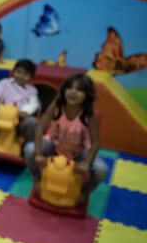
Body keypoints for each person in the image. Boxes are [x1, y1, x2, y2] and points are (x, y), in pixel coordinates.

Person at [24, 73, 109, 205]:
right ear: (64, 90)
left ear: (87, 94)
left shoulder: (89, 113)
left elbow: (96, 142)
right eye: (70, 88)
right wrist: (39, 154)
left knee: (101, 170)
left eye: (79, 90)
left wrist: (86, 163)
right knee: (29, 149)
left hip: (79, 151)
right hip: (54, 145)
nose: (73, 92)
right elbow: (40, 128)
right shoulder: (56, 106)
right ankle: (37, 177)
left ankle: (85, 190)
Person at [0, 59, 40, 147]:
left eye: (25, 74)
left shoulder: (32, 90)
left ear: (31, 77)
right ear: (13, 71)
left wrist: (25, 113)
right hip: (1, 118)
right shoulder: (4, 83)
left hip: (19, 121)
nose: (21, 76)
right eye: (18, 72)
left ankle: (27, 147)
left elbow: (33, 104)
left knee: (32, 123)